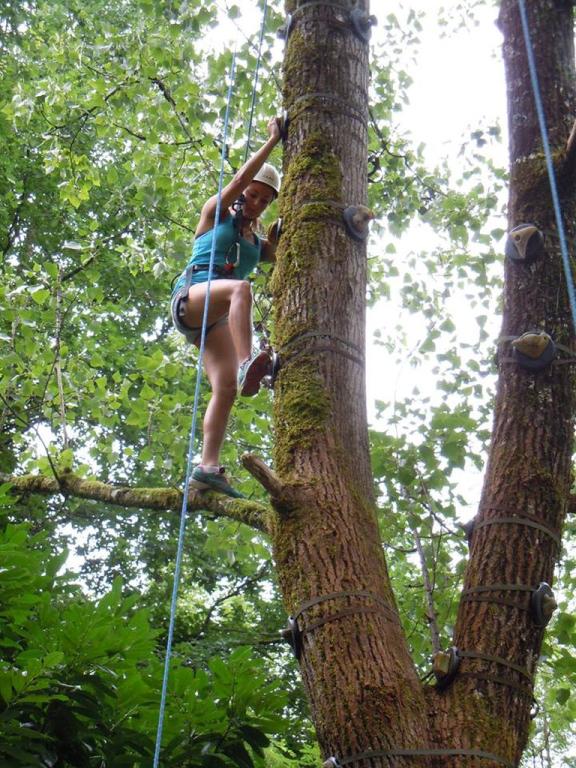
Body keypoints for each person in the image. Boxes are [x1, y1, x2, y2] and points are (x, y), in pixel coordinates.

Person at [171, 117, 282, 498]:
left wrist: (280, 232)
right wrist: (272, 142)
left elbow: (278, 252)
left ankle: (207, 468)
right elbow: (236, 179)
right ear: (242, 194)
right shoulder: (215, 212)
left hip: (214, 320)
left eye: (265, 200)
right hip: (192, 296)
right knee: (241, 290)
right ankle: (248, 359)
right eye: (253, 195)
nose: (257, 203)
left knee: (226, 388)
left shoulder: (256, 242)